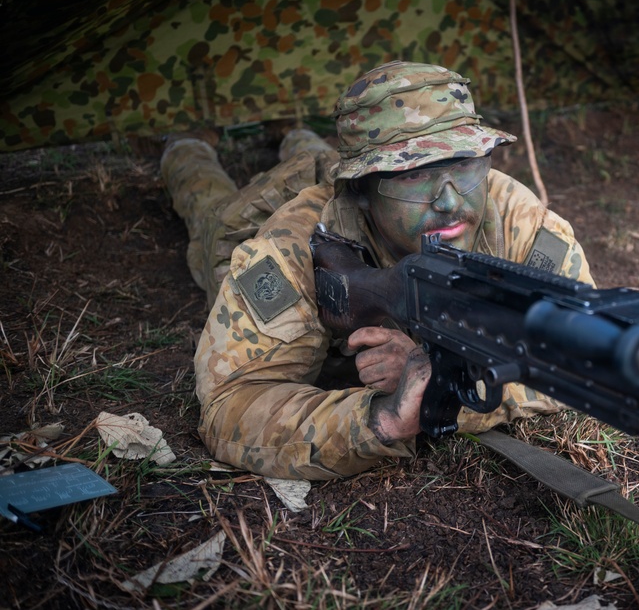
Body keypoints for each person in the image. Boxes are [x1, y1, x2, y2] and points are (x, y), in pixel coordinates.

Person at [161, 61, 594, 480]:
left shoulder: (519, 223)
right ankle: (186, 145)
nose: (449, 201)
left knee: (311, 150)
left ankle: (292, 130)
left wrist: (445, 388)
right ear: (360, 191)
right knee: (209, 211)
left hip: (348, 171)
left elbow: (582, 356)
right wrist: (379, 418)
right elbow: (231, 407)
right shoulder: (287, 248)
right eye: (412, 175)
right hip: (259, 219)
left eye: (463, 164)